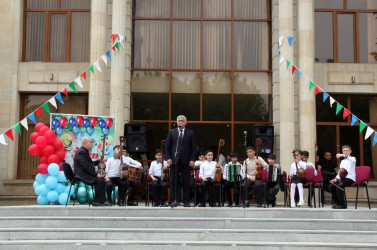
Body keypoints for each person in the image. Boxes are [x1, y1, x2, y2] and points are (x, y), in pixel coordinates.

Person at [165, 115, 197, 207]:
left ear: (185, 122)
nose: (180, 122)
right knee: (174, 181)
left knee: (186, 181)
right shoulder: (172, 132)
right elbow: (167, 146)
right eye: (179, 121)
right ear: (176, 122)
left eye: (182, 121)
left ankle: (186, 201)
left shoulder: (190, 133)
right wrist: (168, 158)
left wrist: (192, 159)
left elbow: (193, 148)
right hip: (174, 160)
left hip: (186, 161)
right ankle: (174, 200)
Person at [73, 137, 107, 206]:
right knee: (100, 181)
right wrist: (95, 174)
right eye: (90, 142)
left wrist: (99, 161)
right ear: (84, 143)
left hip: (84, 174)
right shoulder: (82, 152)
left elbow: (90, 164)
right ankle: (97, 202)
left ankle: (100, 201)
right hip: (82, 175)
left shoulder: (84, 151)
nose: (92, 144)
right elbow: (85, 167)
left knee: (100, 179)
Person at [329, 144, 356, 209]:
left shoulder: (352, 159)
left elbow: (350, 159)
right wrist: (336, 179)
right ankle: (337, 202)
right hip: (342, 178)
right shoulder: (343, 161)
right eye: (344, 151)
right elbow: (340, 172)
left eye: (347, 150)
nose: (345, 152)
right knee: (331, 186)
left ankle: (342, 204)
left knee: (339, 186)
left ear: (350, 151)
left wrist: (342, 155)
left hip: (350, 178)